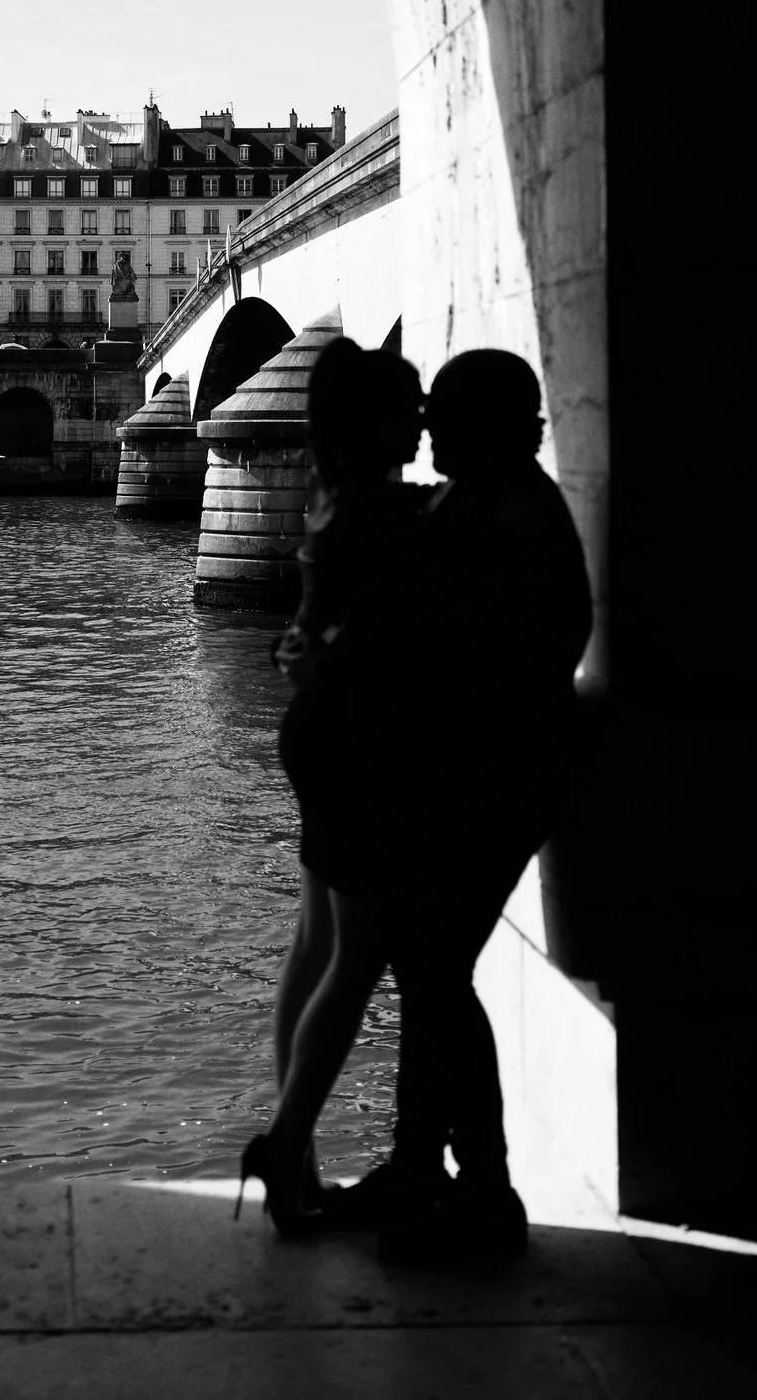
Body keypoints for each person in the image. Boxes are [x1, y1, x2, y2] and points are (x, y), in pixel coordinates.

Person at [241, 346, 592, 1256]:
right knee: (418, 970)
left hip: (491, 786)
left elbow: (451, 652)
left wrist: (325, 645)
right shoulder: (476, 502)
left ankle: (471, 1190)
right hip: (447, 775)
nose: (428, 424)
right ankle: (424, 1170)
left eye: (443, 412)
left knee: (418, 969)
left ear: (497, 429)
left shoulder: (503, 521)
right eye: (421, 408)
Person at [244, 336, 430, 1228]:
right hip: (358, 741)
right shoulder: (381, 513)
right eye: (412, 403)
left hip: (317, 733)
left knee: (315, 943)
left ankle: (296, 1151)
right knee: (357, 956)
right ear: (378, 422)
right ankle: (285, 1150)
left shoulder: (330, 496)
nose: (425, 417)